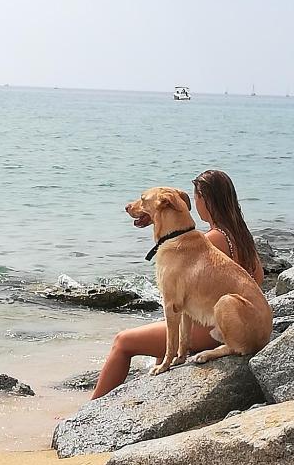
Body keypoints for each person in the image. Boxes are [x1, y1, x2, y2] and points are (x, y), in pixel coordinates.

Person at [91, 170, 264, 399]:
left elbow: (177, 304)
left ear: (205, 201)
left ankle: (91, 406)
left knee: (123, 342)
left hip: (209, 332)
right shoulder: (241, 236)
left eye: (196, 198)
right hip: (235, 323)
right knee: (154, 342)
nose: (193, 204)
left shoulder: (207, 241)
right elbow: (256, 280)